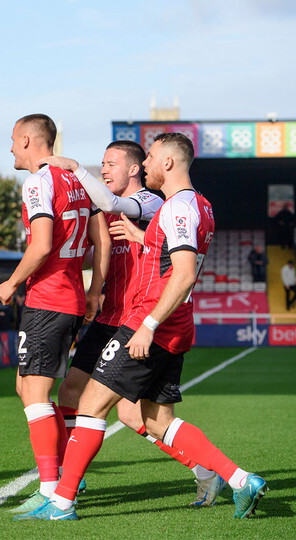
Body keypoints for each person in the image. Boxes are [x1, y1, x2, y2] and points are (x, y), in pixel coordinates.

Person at [17, 133, 266, 521]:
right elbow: (169, 256)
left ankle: (62, 499)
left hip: (149, 321)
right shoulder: (199, 205)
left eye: (150, 157)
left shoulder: (173, 206)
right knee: (154, 419)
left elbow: (181, 273)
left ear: (166, 162)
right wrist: (143, 239)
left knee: (91, 405)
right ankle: (237, 478)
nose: (147, 163)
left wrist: (148, 324)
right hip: (170, 323)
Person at [38, 142, 221, 506]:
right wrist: (94, 291)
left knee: (129, 412)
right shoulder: (110, 210)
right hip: (111, 316)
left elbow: (109, 203)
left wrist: (74, 167)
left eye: (111, 163)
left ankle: (206, 470)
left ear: (136, 168)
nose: (104, 169)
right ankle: (72, 480)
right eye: (101, 164)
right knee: (71, 392)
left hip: (137, 320)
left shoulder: (154, 204)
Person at [0, 114, 108, 511]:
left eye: (12, 139)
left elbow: (41, 244)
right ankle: (61, 479)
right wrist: (95, 289)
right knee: (26, 386)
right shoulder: (77, 179)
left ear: (27, 140)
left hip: (49, 299)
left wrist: (11, 282)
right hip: (72, 297)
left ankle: (52, 490)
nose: (9, 147)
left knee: (35, 392)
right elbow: (102, 239)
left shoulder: (39, 182)